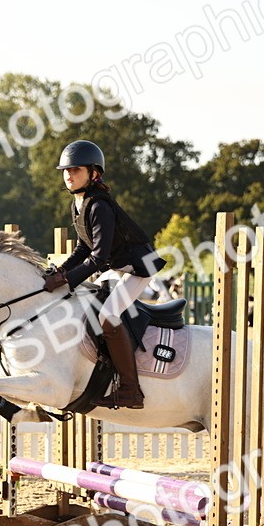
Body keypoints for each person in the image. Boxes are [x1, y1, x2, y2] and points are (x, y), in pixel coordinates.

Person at [43, 139, 165, 409]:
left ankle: (131, 390)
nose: (68, 174)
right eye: (66, 170)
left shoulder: (100, 206)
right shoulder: (78, 204)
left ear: (93, 173)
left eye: (75, 170)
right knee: (86, 307)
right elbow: (82, 248)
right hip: (117, 268)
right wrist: (61, 271)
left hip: (138, 269)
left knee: (107, 316)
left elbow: (98, 257)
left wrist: (67, 279)